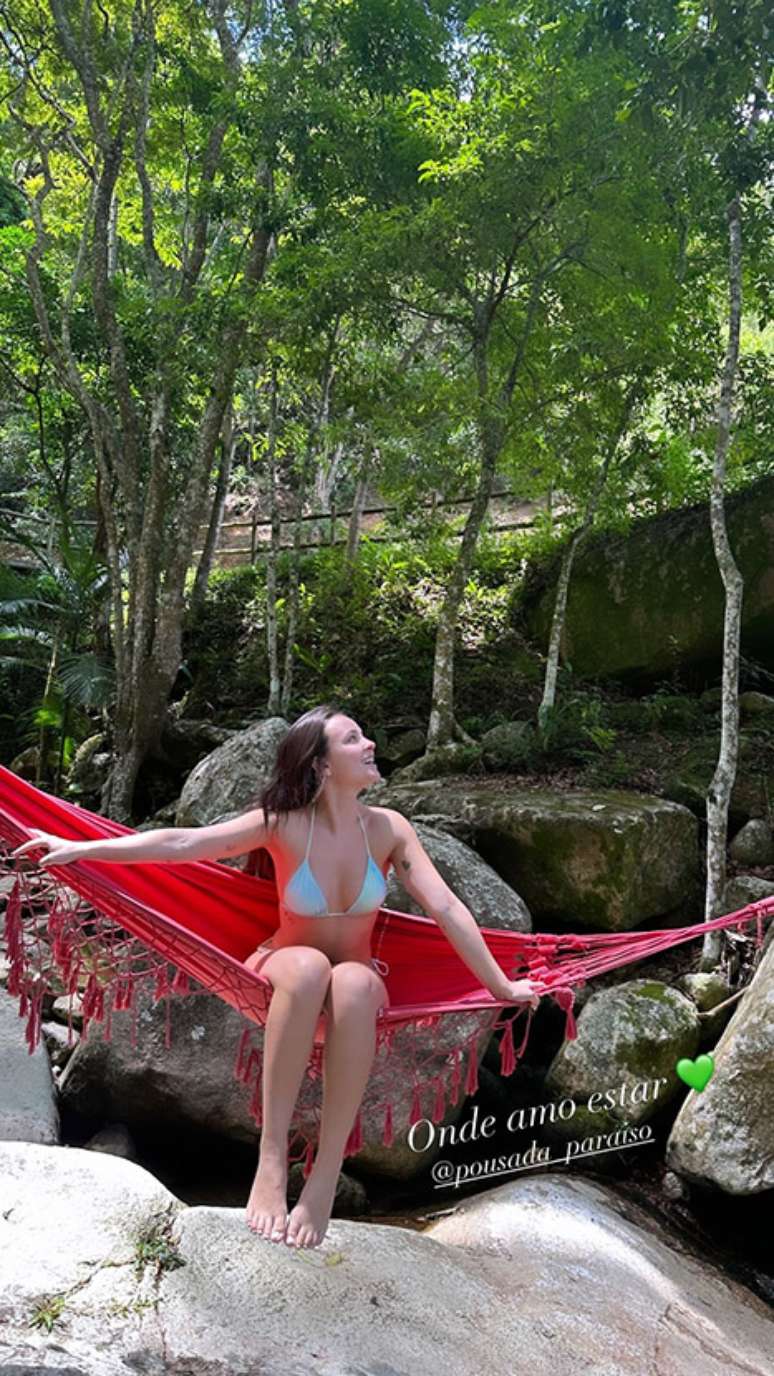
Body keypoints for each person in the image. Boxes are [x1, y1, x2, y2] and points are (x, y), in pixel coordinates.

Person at [10, 703, 541, 1250]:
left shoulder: (388, 829)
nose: (370, 745)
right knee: (310, 966)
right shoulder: (282, 822)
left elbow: (446, 907)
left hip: (356, 977)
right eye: (353, 739)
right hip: (283, 966)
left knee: (354, 983)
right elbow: (185, 844)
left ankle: (325, 1172)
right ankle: (271, 1158)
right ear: (321, 764)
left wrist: (500, 986)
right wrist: (81, 848)